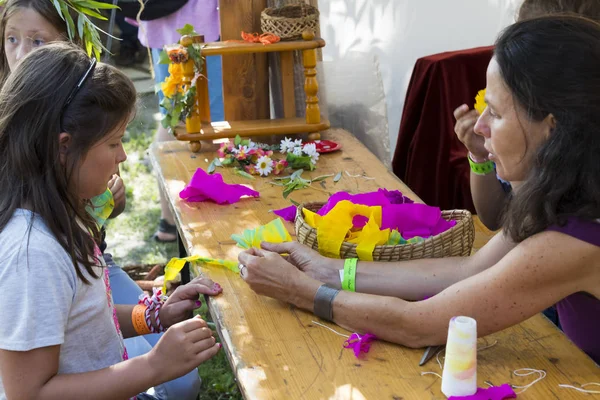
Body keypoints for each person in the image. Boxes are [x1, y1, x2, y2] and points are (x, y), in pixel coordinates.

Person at [237, 16, 600, 364]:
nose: (482, 126)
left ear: (552, 128)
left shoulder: (575, 241)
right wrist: (328, 271)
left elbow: (417, 323)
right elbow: (469, 269)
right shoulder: (569, 194)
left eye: (496, 113)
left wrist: (299, 291)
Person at [0, 1, 206, 397]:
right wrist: (153, 366)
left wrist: (152, 315)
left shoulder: (64, 212)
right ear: (64, 147)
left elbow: (83, 322)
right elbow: (31, 393)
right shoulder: (34, 254)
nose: (123, 156)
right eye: (114, 142)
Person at [453, 0, 600, 231]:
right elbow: (496, 220)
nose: (481, 125)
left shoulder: (579, 223)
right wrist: (481, 156)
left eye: (495, 113)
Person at [136, 0, 224, 242]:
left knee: (174, 118)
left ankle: (170, 218)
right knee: (206, 121)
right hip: (198, 24)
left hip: (167, 20)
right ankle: (195, 214)